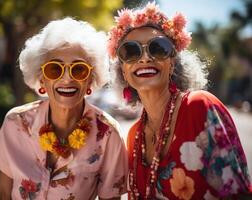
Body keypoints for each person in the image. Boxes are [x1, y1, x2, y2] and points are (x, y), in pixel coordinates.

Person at [107, 2, 251, 199]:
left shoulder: (200, 107)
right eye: (131, 51)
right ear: (123, 70)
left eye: (158, 48)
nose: (145, 58)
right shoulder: (133, 136)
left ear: (172, 63)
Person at [0, 17, 128, 200]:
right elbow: (2, 193)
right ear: (42, 79)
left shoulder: (108, 134)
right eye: (55, 69)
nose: (67, 78)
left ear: (89, 80)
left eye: (78, 70)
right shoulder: (16, 123)